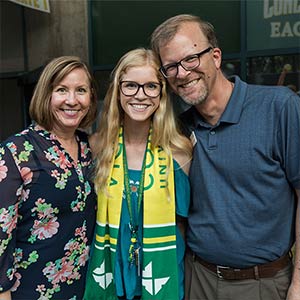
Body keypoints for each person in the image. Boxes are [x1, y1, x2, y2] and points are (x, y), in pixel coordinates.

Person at [151, 14, 300, 300]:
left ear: (215, 56)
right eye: (171, 67)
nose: (182, 73)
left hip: (265, 284)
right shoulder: (179, 129)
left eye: (190, 59)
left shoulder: (279, 107)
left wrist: (298, 284)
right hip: (198, 280)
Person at [84, 48, 192, 300]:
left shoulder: (180, 151)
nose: (140, 95)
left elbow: (182, 226)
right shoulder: (97, 146)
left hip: (161, 278)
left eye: (151, 86)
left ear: (162, 93)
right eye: (130, 85)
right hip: (111, 273)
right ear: (118, 90)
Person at [0, 56, 98, 299]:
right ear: (46, 95)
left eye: (81, 90)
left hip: (86, 288)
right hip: (30, 290)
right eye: (61, 90)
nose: (72, 100)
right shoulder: (16, 151)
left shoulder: (90, 148)